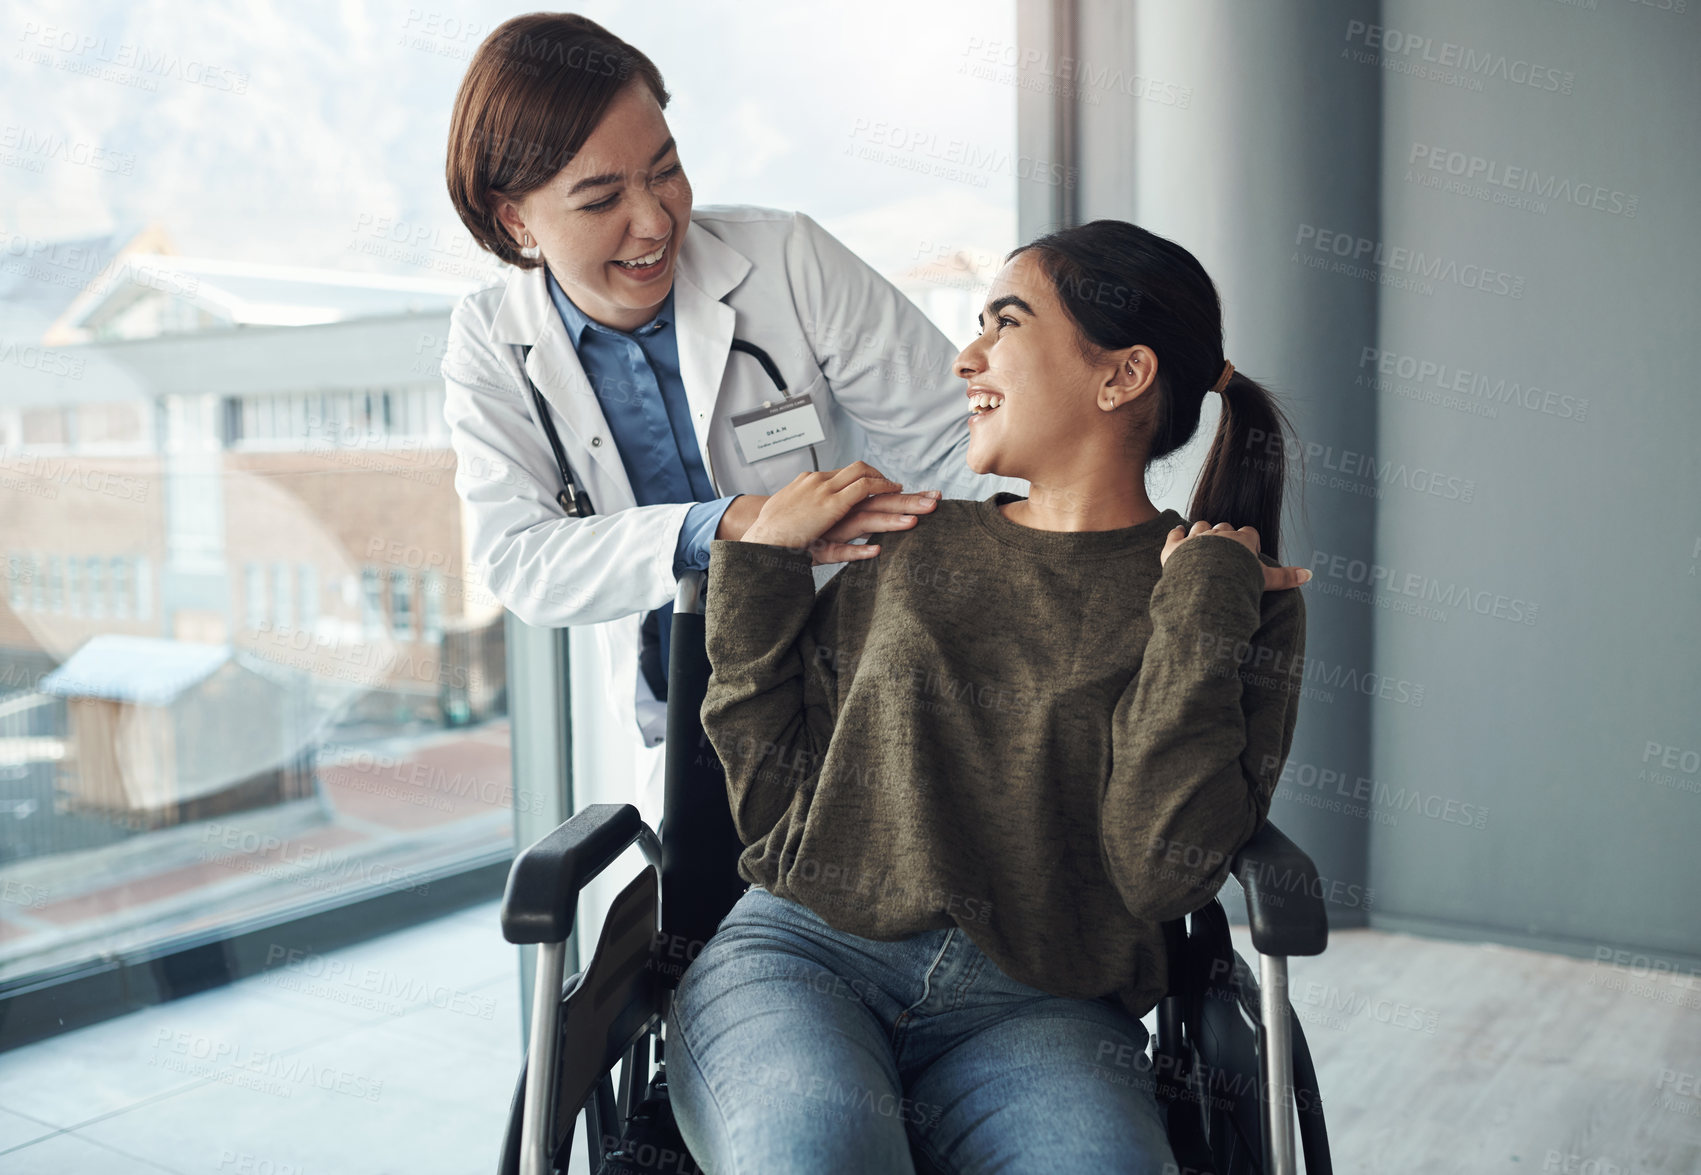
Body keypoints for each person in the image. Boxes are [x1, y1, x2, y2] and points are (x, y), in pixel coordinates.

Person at [670, 219, 1313, 1173]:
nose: (965, 356)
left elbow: (1159, 875)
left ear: (1121, 375)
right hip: (807, 962)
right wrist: (758, 561)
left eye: (1003, 324)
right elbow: (770, 819)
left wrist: (1197, 614)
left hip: (1044, 1010)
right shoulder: (908, 543)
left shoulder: (1227, 601)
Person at [439, 12, 1021, 829]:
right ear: (516, 221)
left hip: (861, 682)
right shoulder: (490, 344)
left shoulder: (786, 260)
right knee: (716, 924)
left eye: (665, 170)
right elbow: (520, 560)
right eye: (602, 198)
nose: (654, 221)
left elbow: (962, 442)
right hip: (681, 715)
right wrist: (742, 525)